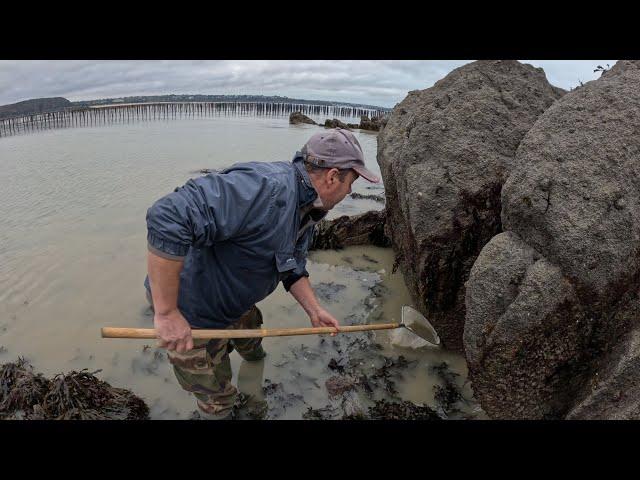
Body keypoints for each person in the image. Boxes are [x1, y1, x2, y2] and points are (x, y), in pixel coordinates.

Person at [144, 128, 380, 419]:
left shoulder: (308, 207)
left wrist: (314, 309)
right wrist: (167, 313)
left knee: (255, 351)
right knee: (218, 400)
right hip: (193, 313)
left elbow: (292, 265)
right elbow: (168, 216)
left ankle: (252, 380)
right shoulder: (264, 188)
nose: (350, 193)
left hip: (236, 302)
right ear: (332, 176)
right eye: (351, 183)